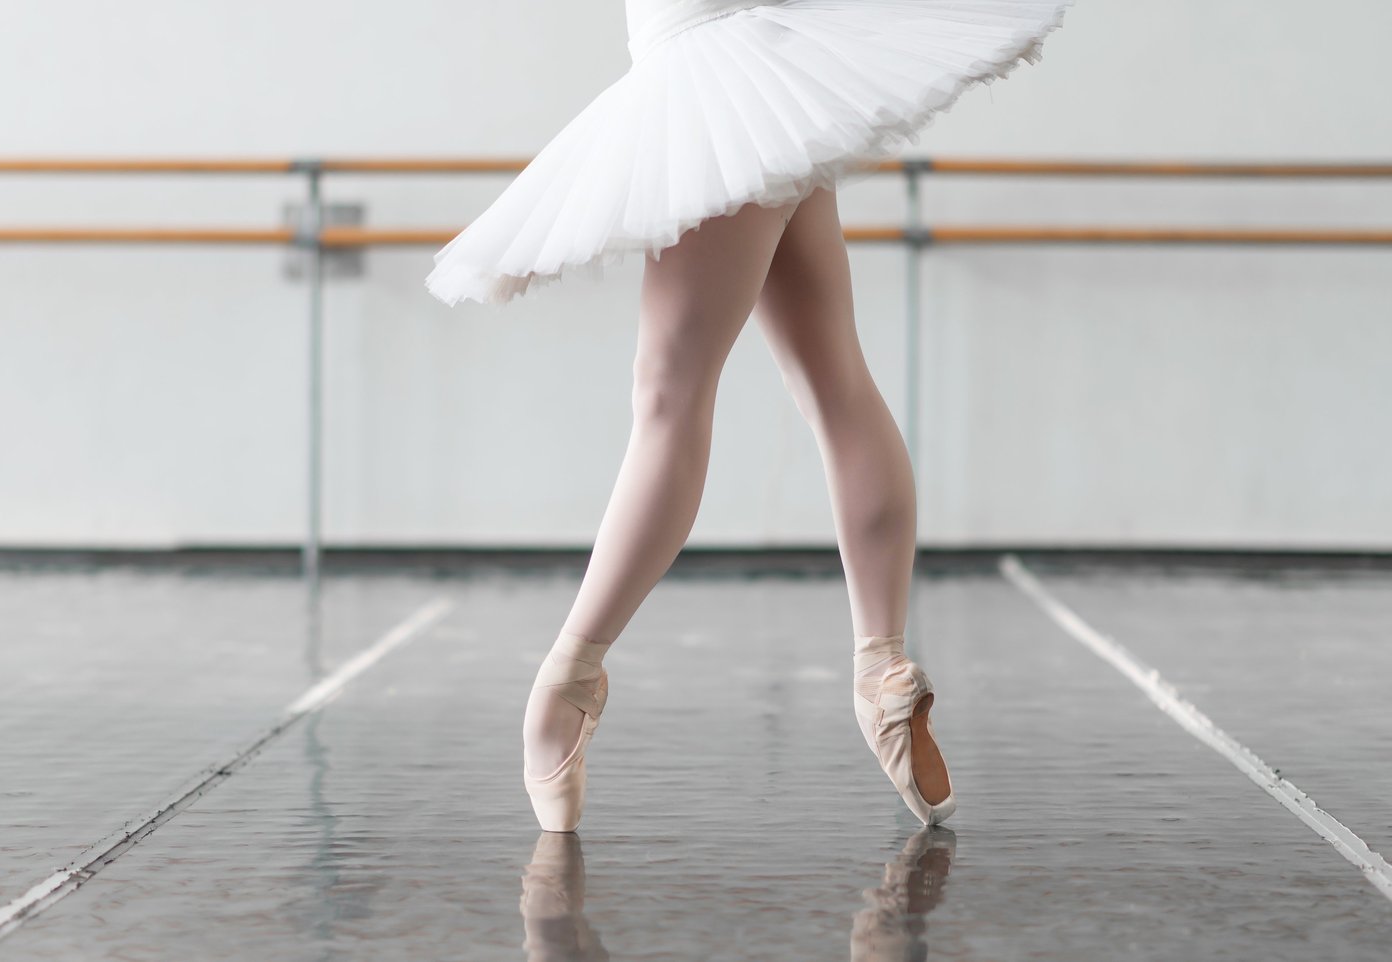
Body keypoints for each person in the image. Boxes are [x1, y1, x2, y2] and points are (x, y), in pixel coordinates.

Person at [424, 0, 1075, 833]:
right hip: (765, 62)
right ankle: (882, 667)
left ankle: (568, 678)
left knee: (669, 396)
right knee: (836, 381)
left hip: (712, 77)